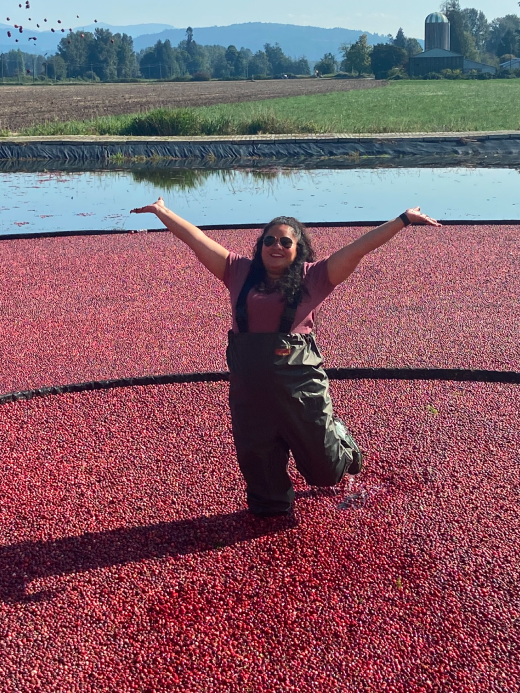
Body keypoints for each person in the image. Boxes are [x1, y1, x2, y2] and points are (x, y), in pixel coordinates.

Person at [130, 198, 441, 516]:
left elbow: (357, 249)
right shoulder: (238, 271)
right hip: (249, 389)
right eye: (269, 240)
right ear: (260, 245)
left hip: (301, 387)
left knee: (325, 472)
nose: (275, 246)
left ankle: (342, 440)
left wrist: (402, 219)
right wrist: (162, 212)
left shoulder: (315, 277)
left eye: (284, 241)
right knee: (258, 461)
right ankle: (271, 506)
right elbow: (197, 240)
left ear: (297, 249)